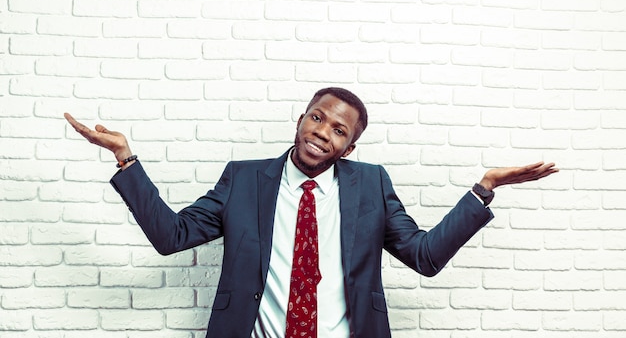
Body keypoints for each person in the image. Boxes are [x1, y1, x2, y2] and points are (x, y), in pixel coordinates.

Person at [64, 87, 558, 338]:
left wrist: (484, 188)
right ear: (299, 119)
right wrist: (125, 159)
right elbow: (172, 235)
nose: (324, 131)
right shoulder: (243, 179)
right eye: (318, 117)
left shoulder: (371, 186)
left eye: (339, 130)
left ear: (349, 148)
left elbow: (423, 255)